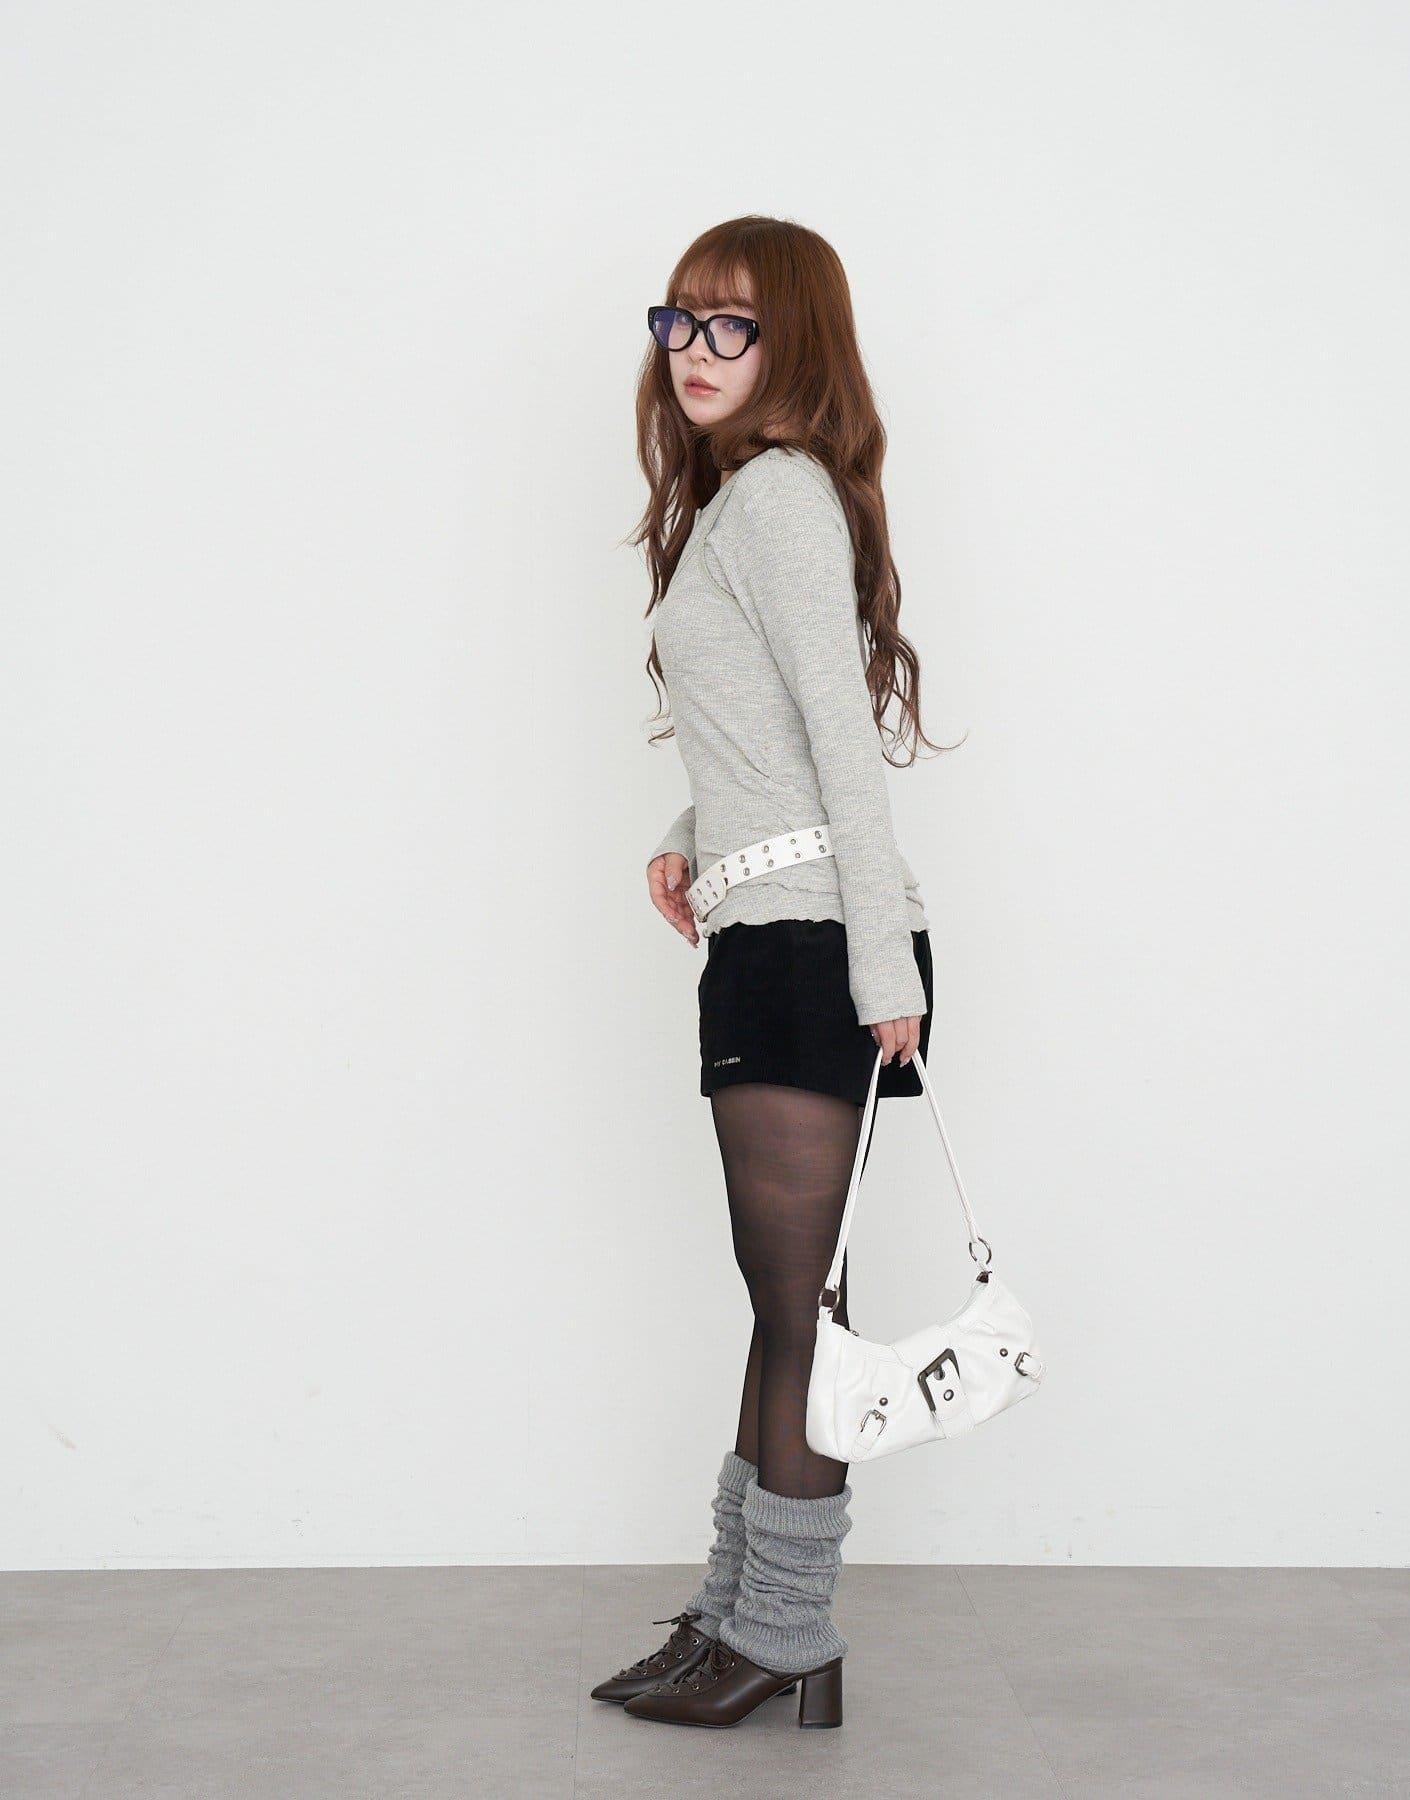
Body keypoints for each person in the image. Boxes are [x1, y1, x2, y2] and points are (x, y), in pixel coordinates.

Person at [591, 215, 961, 1730]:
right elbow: (768, 740)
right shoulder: (739, 506)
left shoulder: (786, 499)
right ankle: (737, 1616)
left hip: (820, 950)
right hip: (767, 933)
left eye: (732, 324)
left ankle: (787, 1634)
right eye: (680, 319)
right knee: (783, 1301)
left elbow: (846, 761)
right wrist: (693, 834)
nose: (696, 350)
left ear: (792, 340)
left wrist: (884, 972)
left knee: (802, 1307)